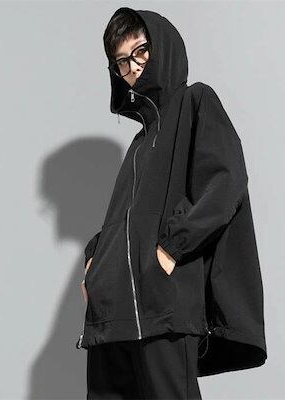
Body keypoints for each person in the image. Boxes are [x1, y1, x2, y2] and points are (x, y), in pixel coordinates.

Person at [77, 7, 267, 399]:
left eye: (140, 51)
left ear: (161, 46)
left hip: (163, 304)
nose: (132, 67)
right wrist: (95, 260)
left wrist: (172, 247)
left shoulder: (196, 102)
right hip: (111, 314)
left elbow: (225, 181)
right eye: (121, 61)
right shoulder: (138, 144)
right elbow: (124, 220)